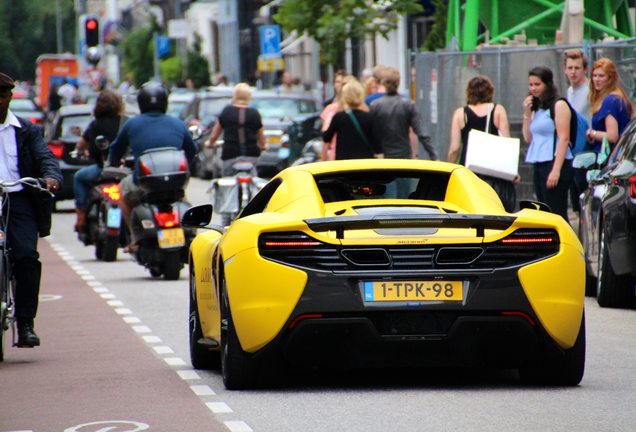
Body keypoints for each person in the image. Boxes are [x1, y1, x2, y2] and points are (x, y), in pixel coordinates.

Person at [0, 72, 62, 347]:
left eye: (2, 96)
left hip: (18, 199)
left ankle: (25, 323)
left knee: (26, 256)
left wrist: (50, 177)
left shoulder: (26, 131)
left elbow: (45, 157)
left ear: (10, 97)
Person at [108, 81, 196, 252]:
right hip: (174, 185)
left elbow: (116, 149)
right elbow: (192, 151)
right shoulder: (177, 123)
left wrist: (113, 163)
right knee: (182, 200)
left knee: (122, 196)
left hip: (144, 185)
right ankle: (190, 235)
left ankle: (134, 239)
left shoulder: (132, 124)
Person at [448, 75, 517, 212]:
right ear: (490, 91)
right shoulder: (498, 110)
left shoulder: (460, 113)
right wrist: (513, 170)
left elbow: (455, 148)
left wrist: (450, 167)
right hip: (495, 172)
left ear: (469, 92)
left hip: (469, 171)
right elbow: (507, 141)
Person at [522, 66, 574, 221]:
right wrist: (526, 113)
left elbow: (564, 138)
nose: (533, 89)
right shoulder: (536, 107)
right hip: (539, 161)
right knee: (544, 210)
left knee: (556, 212)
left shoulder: (558, 105)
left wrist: (556, 170)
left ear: (547, 84)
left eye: (537, 85)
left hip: (555, 162)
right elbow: (528, 138)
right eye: (531, 85)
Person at [73, 90, 126, 231]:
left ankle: (81, 215)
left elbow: (80, 145)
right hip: (123, 170)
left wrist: (79, 152)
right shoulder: (123, 123)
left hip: (102, 170)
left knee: (79, 177)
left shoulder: (95, 124)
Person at [371, 66, 437, 161]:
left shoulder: (375, 106)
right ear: (398, 82)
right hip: (404, 155)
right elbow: (422, 133)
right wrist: (433, 156)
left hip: (383, 156)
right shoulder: (408, 105)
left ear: (383, 83)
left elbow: (372, 133)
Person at [204, 83, 266, 176]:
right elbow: (261, 138)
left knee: (226, 182)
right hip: (251, 155)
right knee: (254, 181)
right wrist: (263, 145)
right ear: (249, 96)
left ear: (234, 96)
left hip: (230, 155)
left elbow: (214, 135)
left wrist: (210, 143)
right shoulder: (255, 113)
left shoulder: (226, 111)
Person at [322, 79, 383, 160]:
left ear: (345, 97)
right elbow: (377, 145)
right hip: (366, 163)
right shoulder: (369, 118)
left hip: (344, 163)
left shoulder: (339, 117)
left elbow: (326, 137)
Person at [585, 57, 634, 151]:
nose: (596, 79)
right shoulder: (618, 96)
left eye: (601, 76)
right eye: (594, 75)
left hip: (609, 156)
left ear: (610, 78)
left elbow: (612, 136)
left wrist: (592, 133)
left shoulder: (610, 101)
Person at [563, 49, 590, 214]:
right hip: (574, 151)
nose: (573, 72)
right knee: (576, 203)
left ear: (584, 69)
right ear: (565, 69)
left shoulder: (589, 90)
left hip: (588, 150)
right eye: (570, 68)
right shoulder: (570, 92)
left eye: (577, 68)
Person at [320, 70, 347, 161]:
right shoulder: (329, 106)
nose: (338, 85)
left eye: (341, 82)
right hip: (334, 154)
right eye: (336, 82)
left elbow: (325, 137)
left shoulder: (331, 110)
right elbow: (326, 137)